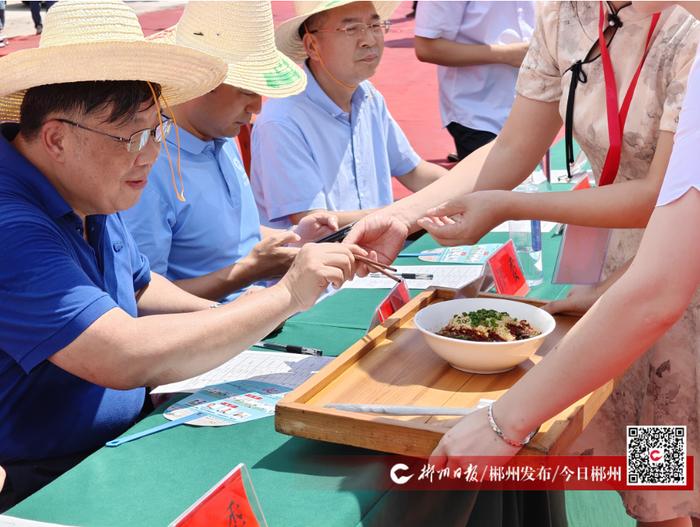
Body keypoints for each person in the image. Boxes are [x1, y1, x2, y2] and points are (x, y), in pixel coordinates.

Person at [0, 0, 363, 510]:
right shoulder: (11, 223)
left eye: (158, 130)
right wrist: (282, 297)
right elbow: (119, 355)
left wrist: (227, 320)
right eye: (133, 136)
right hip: (47, 481)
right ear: (57, 137)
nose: (150, 153)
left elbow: (142, 285)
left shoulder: (87, 181)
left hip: (115, 440)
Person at [346, 2, 700, 525]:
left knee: (671, 457)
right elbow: (512, 144)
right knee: (657, 471)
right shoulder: (566, 14)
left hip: (668, 279)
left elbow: (657, 199)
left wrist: (510, 205)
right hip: (634, 275)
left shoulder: (686, 31)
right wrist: (407, 215)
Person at [122, 1, 337, 303]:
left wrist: (292, 237)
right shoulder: (148, 167)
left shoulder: (221, 135)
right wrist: (247, 271)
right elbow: (140, 295)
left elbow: (231, 237)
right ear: (201, 81)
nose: (258, 106)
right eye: (247, 90)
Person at [250, 0, 448, 229]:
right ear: (312, 45)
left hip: (375, 251)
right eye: (351, 29)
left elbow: (414, 171)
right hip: (320, 259)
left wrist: (465, 193)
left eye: (375, 26)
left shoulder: (368, 97)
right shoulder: (282, 122)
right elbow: (315, 224)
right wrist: (409, 212)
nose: (370, 40)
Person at [414, 1, 535, 161]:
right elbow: (427, 48)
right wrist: (507, 55)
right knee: (495, 183)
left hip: (532, 104)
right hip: (478, 113)